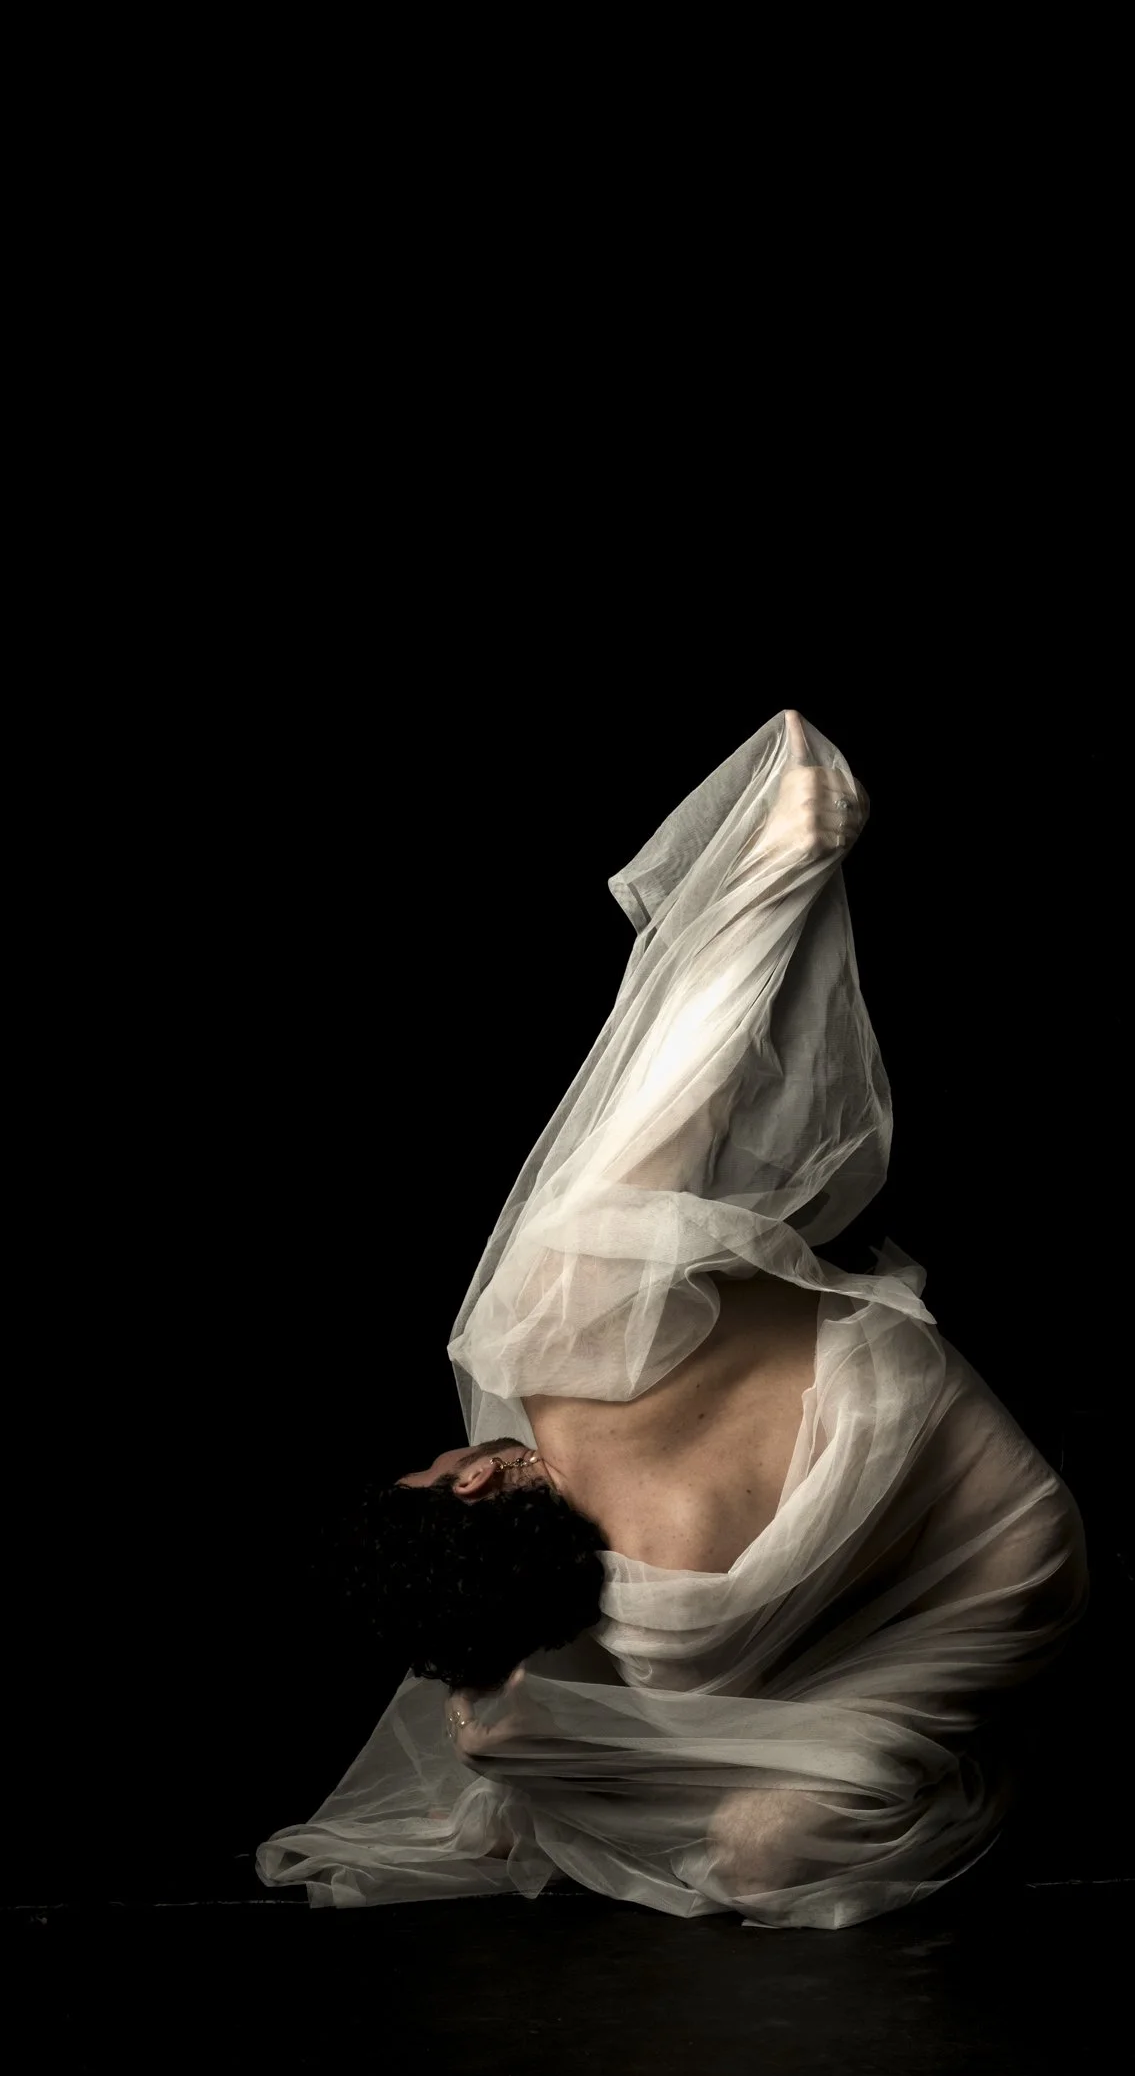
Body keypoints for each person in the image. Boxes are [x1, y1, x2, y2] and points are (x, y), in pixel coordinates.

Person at [258, 709, 1087, 1928]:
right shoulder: (564, 1337)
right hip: (987, 1525)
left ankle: (885, 1775)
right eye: (435, 1467)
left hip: (1023, 1574)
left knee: (727, 1839)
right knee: (636, 1153)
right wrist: (775, 868)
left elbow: (555, 1682)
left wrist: (491, 1707)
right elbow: (675, 1095)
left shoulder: (662, 1643)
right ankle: (787, 846)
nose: (451, 1446)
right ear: (474, 1485)